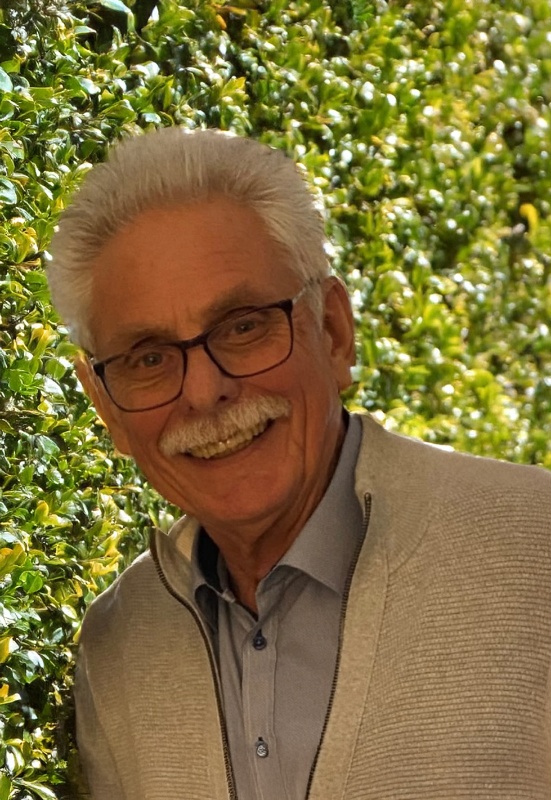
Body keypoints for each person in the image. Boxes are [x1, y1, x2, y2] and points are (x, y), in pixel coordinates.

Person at [48, 127, 551, 800]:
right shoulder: (117, 646)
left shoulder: (535, 551)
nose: (204, 392)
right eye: (149, 358)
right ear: (106, 407)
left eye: (243, 326)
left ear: (334, 331)